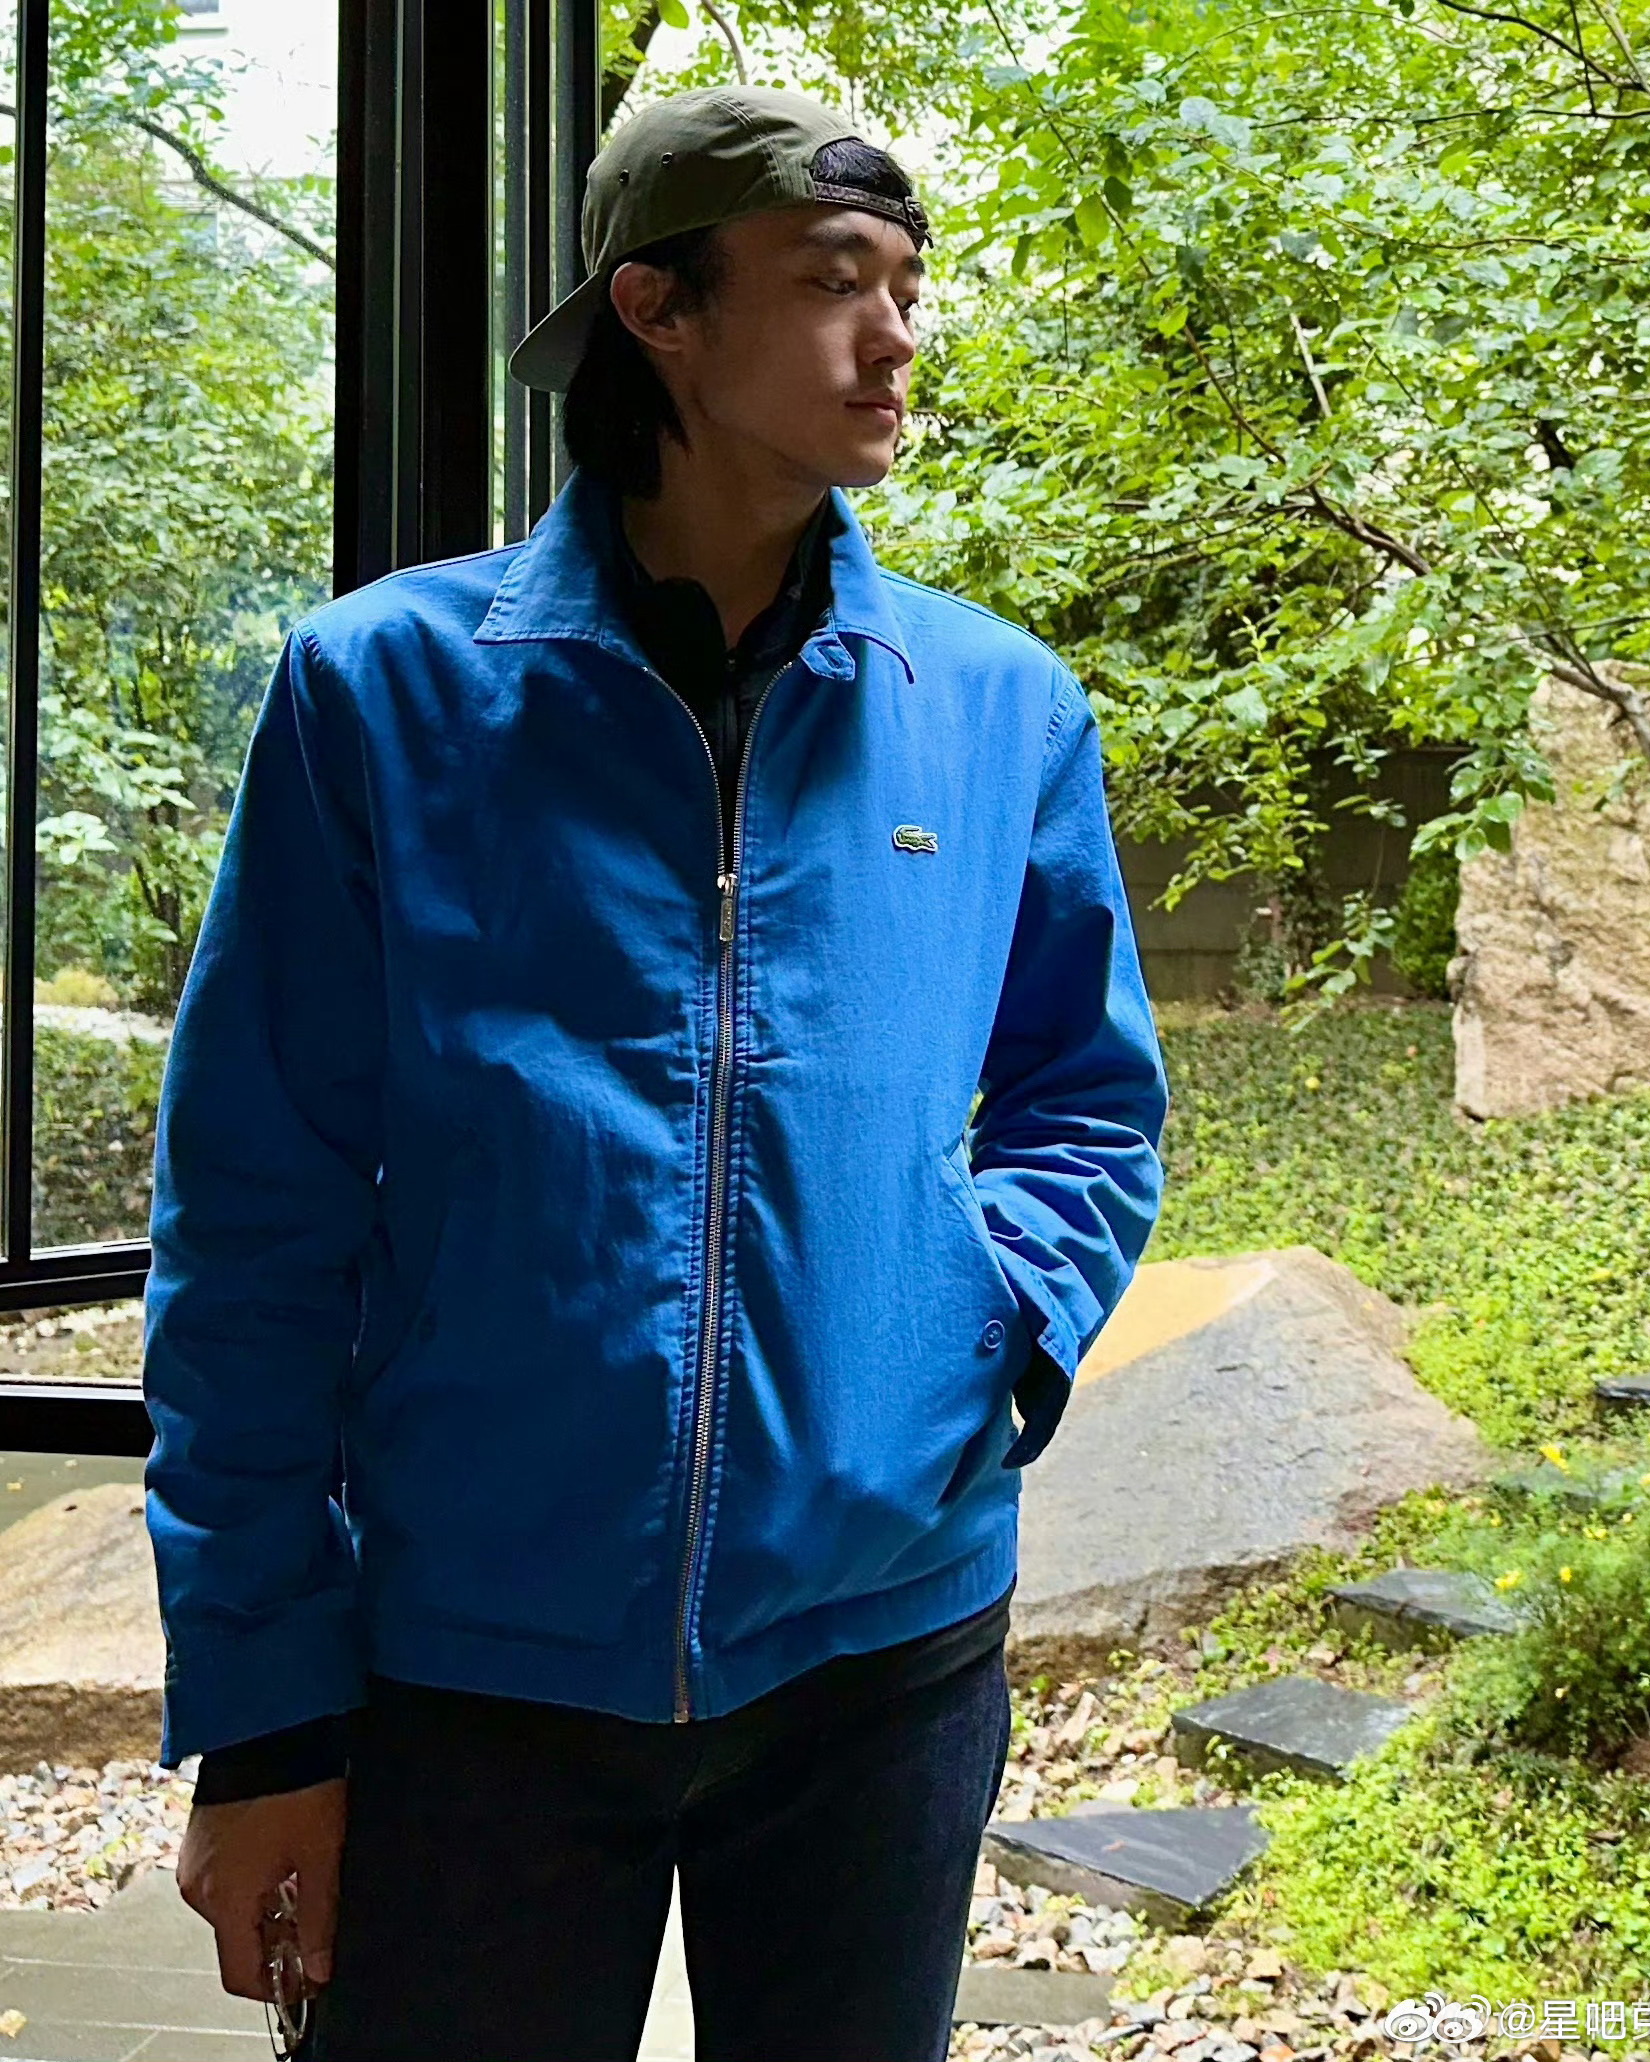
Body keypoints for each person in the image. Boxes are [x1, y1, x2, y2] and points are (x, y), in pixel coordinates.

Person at [142, 83, 1167, 2062]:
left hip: (883, 1650)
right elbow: (255, 1219)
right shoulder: (385, 693)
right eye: (836, 281)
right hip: (469, 1669)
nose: (896, 336)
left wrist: (988, 1335)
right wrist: (264, 1716)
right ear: (659, 310)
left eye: (908, 286)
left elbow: (1086, 1099)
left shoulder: (998, 708)